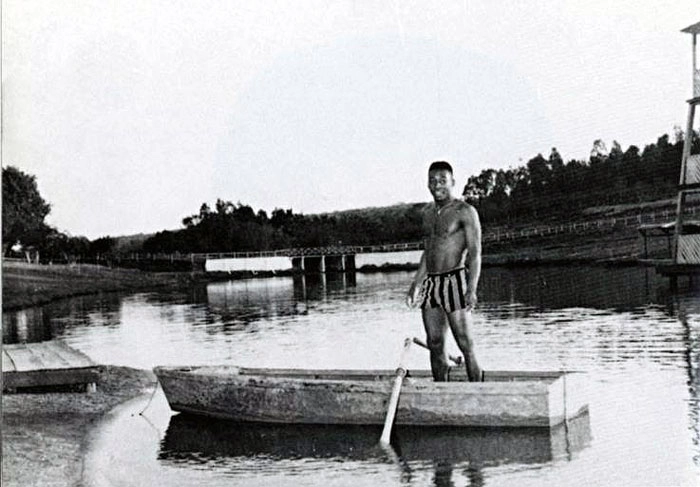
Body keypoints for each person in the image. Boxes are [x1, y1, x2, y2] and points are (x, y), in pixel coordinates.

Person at [406, 161, 483, 382]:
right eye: (432, 180)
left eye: (442, 180)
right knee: (435, 342)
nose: (436, 185)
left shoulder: (465, 212)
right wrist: (416, 284)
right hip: (431, 284)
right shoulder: (428, 213)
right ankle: (441, 390)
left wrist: (472, 289)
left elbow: (475, 253)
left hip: (454, 281)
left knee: (465, 343)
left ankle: (477, 395)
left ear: (452, 182)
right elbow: (428, 251)